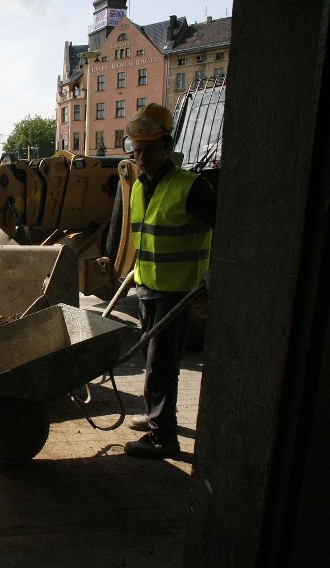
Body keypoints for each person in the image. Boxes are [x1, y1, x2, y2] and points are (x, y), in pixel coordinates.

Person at [123, 103, 217, 459]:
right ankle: (154, 418)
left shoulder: (192, 187)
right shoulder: (138, 186)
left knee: (163, 364)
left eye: (148, 150)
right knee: (153, 358)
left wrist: (213, 274)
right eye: (136, 151)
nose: (141, 157)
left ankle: (163, 437)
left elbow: (227, 226)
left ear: (167, 147)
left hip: (177, 291)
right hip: (148, 286)